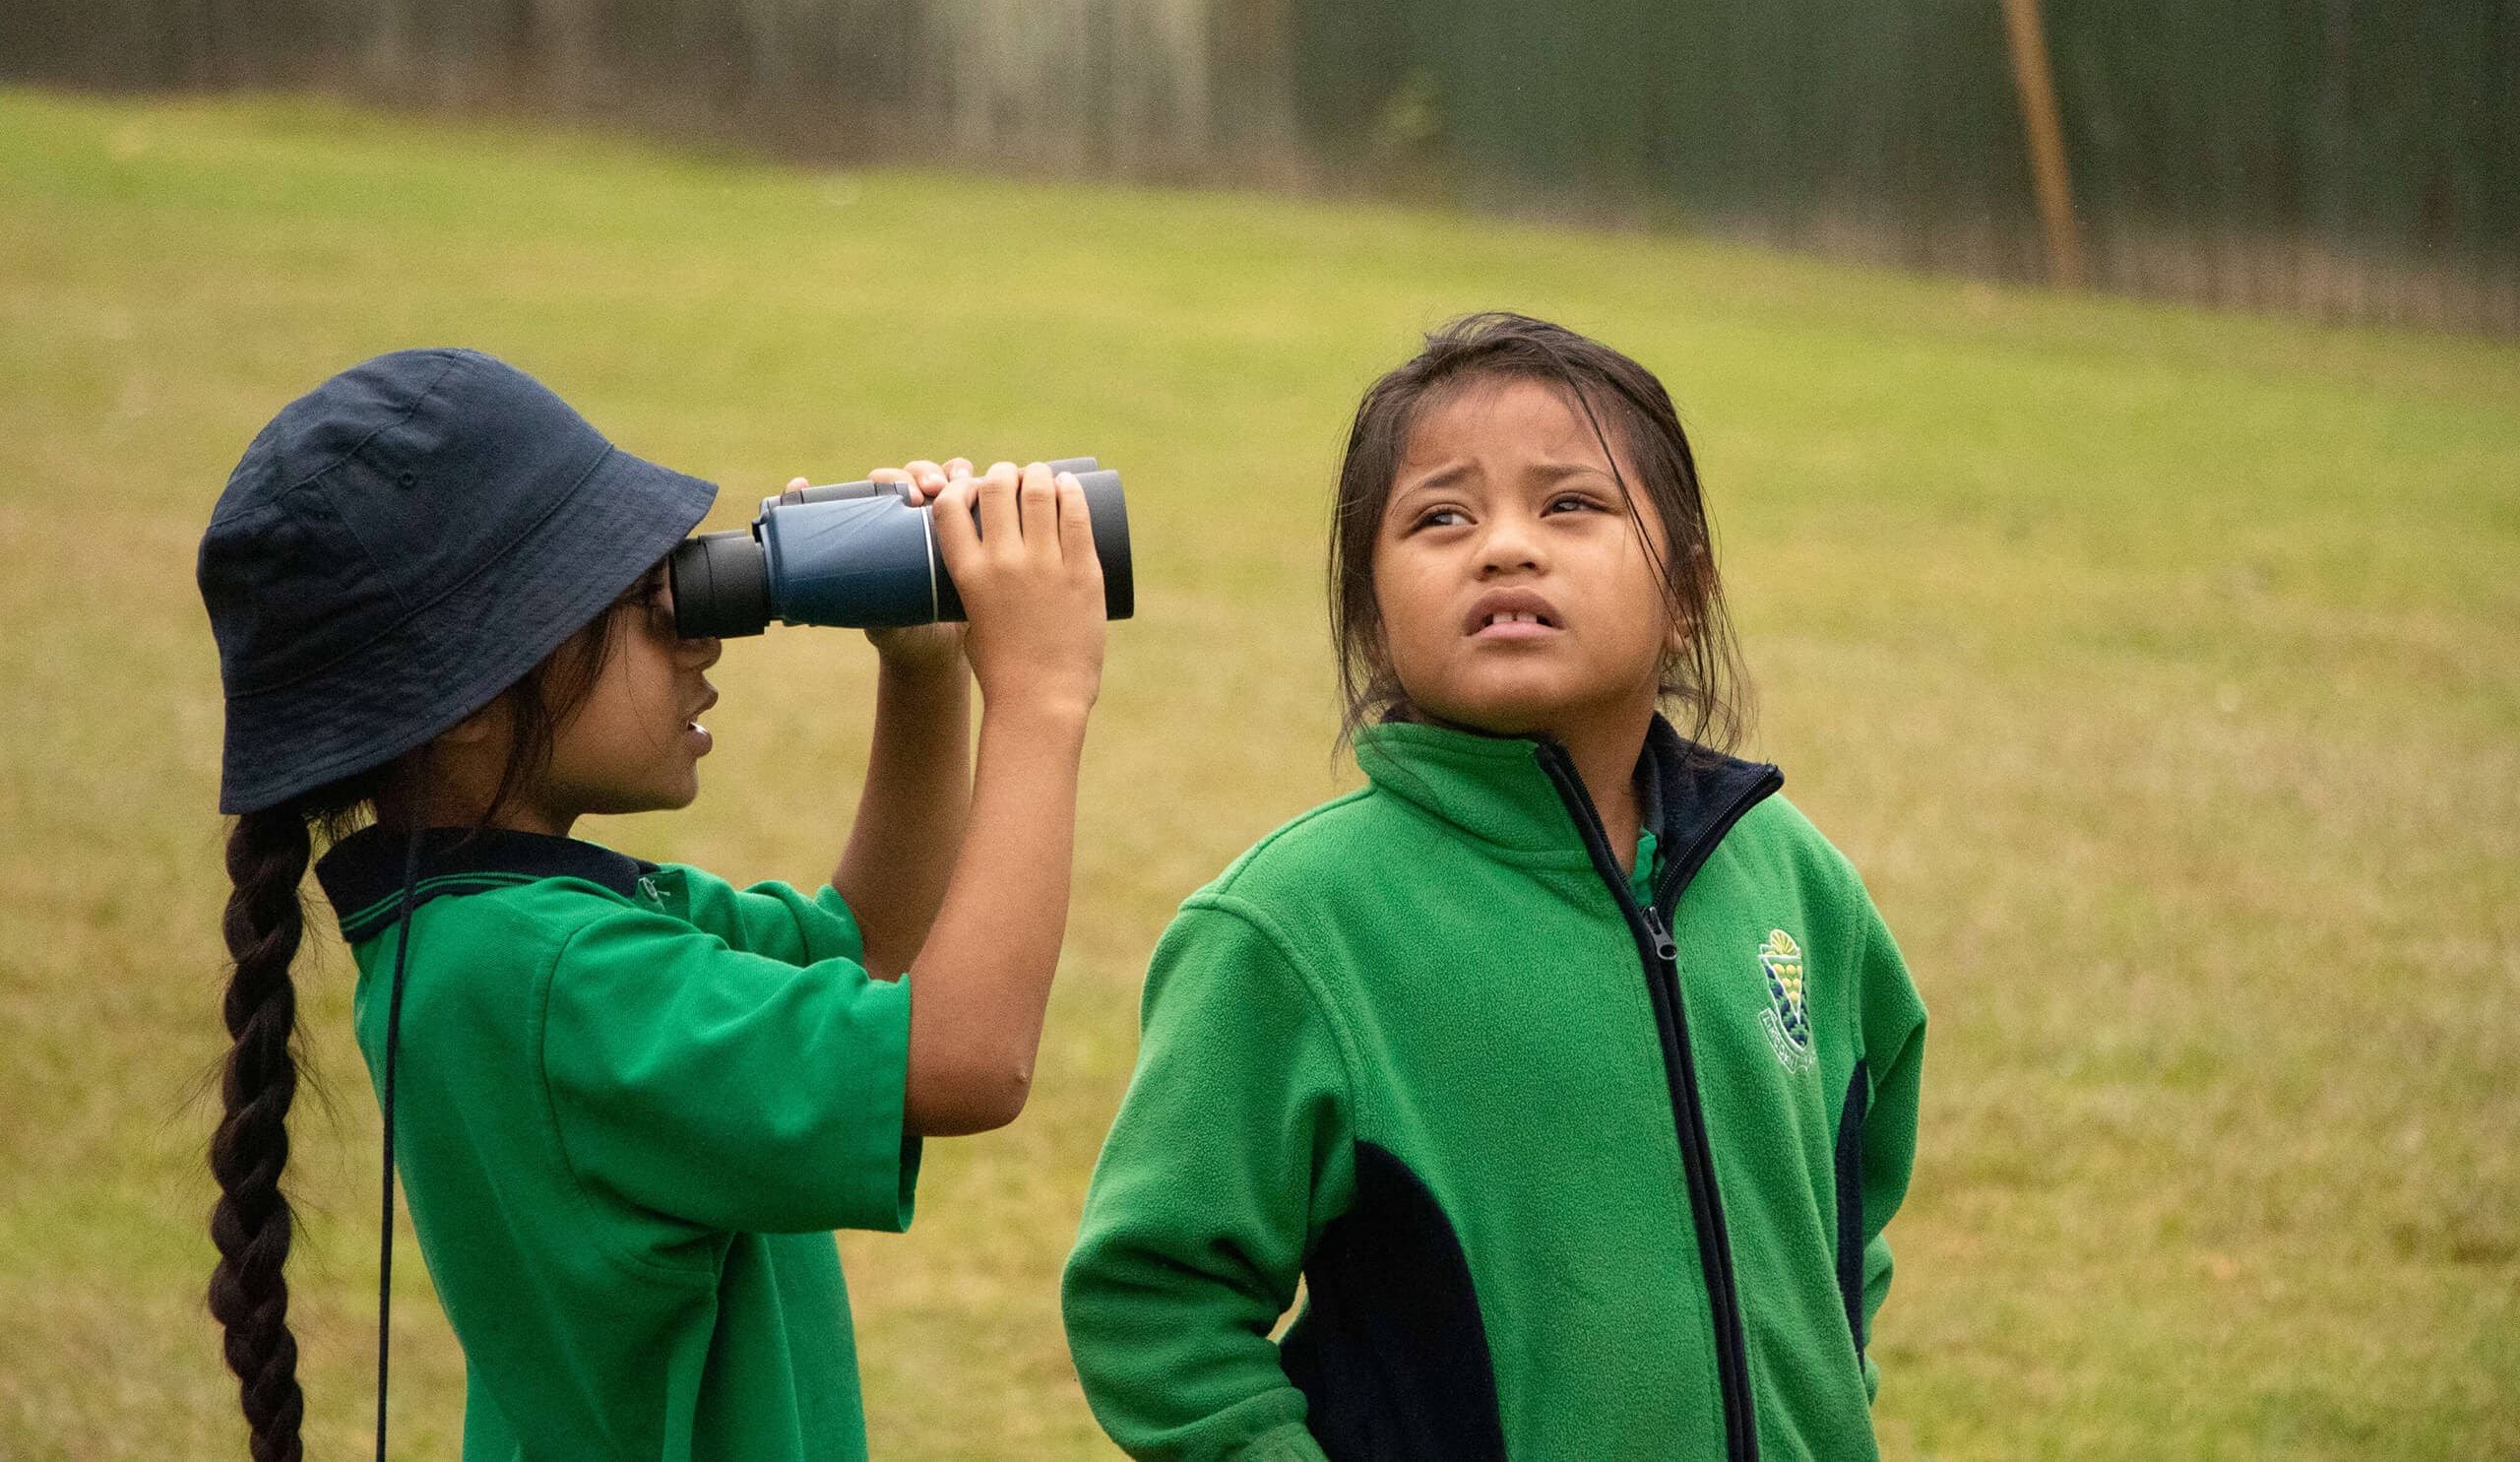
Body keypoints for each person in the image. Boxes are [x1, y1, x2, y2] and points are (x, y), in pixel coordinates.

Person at [197, 348, 1105, 1462]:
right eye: (640, 601)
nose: (700, 633)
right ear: (472, 702)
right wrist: (1040, 698)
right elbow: (966, 1059)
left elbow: (858, 955)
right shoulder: (547, 978)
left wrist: (921, 672)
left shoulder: (504, 929)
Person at [1062, 312, 1925, 1462]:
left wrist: (1820, 1396)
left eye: (1570, 504)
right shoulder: (1295, 925)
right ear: (1372, 623)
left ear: (1687, 596)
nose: (1504, 547)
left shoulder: (1796, 880)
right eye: (1440, 518)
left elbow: (1845, 1203)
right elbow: (1154, 1300)